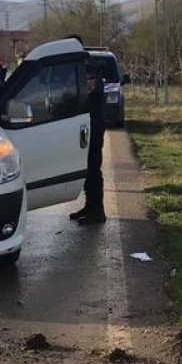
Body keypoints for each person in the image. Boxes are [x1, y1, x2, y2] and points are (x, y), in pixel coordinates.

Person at [69, 37, 106, 225]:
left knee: (93, 168)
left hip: (92, 125)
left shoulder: (88, 67)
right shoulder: (80, 65)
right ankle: (90, 206)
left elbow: (82, 94)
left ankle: (98, 211)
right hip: (86, 124)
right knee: (87, 168)